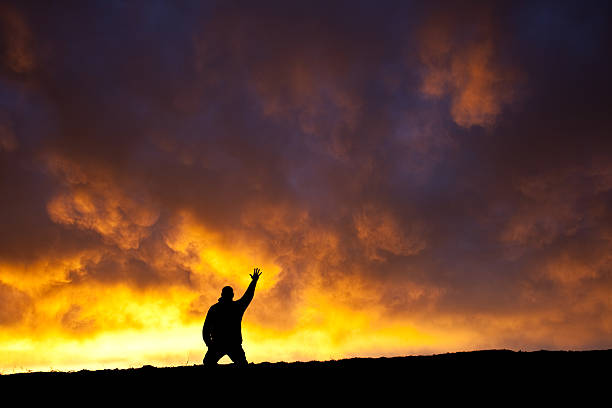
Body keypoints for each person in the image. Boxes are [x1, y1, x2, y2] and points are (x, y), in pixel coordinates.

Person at [202, 267, 262, 366]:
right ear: (232, 295)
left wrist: (254, 281)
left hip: (230, 345)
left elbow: (248, 296)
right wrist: (209, 344)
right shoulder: (234, 307)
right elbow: (206, 329)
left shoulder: (222, 308)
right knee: (209, 363)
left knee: (240, 364)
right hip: (221, 344)